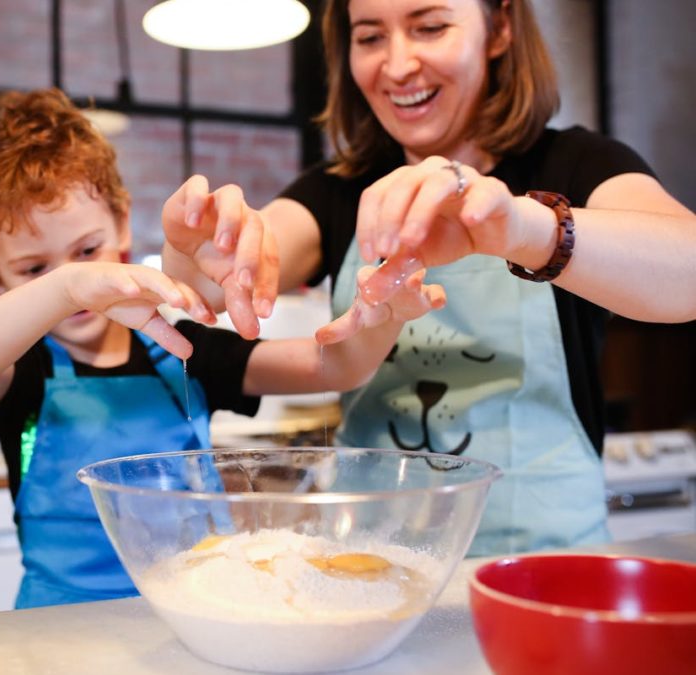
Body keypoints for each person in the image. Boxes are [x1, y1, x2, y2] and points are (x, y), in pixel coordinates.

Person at [161, 0, 696, 556]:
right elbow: (220, 282)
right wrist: (198, 253)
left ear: (500, 28)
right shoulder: (335, 192)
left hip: (547, 570)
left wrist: (522, 227)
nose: (397, 66)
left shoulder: (577, 166)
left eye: (430, 27)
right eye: (370, 37)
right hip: (368, 567)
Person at [0, 88, 446, 608]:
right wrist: (66, 286)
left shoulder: (182, 350)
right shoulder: (21, 367)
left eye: (87, 252)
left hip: (194, 607)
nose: (79, 279)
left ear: (121, 222)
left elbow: (335, 366)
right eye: (33, 270)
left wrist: (384, 320)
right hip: (53, 626)